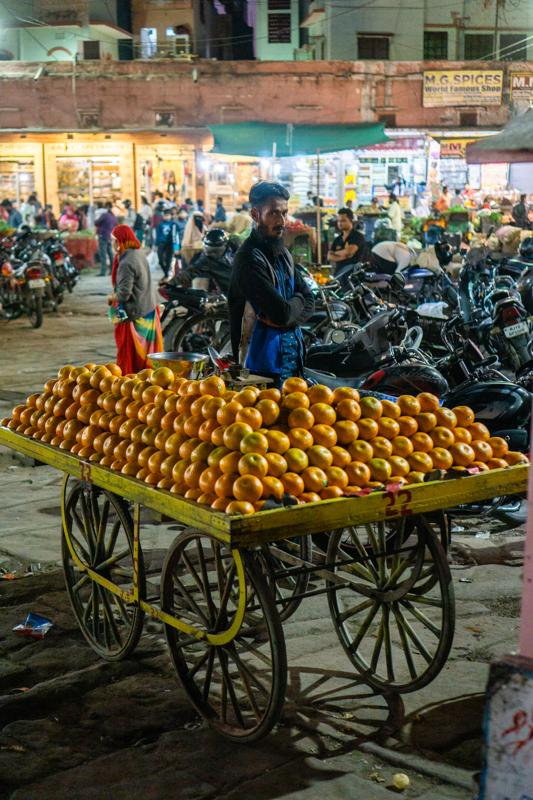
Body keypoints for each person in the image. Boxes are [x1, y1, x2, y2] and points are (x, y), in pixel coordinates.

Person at [228, 181, 314, 385]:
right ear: (256, 215)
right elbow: (281, 313)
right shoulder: (248, 258)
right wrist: (293, 309)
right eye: (274, 213)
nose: (282, 221)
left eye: (284, 213)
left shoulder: (283, 253)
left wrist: (289, 313)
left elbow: (310, 299)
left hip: (291, 361)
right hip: (260, 369)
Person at [107, 224, 163, 375]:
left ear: (120, 242)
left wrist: (112, 298)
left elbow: (124, 294)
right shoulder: (138, 253)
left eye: (114, 240)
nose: (112, 243)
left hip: (135, 313)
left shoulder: (126, 262)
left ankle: (133, 383)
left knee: (132, 357)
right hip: (148, 308)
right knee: (147, 356)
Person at [327, 207, 368, 274]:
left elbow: (349, 251)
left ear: (351, 221)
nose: (340, 223)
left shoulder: (357, 236)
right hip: (339, 273)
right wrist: (345, 255)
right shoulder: (337, 239)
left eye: (343, 221)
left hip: (353, 274)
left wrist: (335, 253)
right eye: (338, 221)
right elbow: (329, 256)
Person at [155, 208, 179, 279]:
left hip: (170, 244)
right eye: (165, 215)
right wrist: (156, 245)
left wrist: (176, 248)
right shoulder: (160, 224)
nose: (166, 217)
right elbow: (158, 235)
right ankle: (166, 273)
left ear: (171, 216)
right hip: (161, 244)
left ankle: (166, 275)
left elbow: (175, 237)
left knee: (168, 260)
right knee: (160, 260)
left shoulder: (174, 224)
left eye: (168, 215)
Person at [95, 202, 117, 276]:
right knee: (110, 253)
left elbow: (96, 222)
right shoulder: (113, 216)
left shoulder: (104, 215)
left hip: (103, 235)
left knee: (103, 254)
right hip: (110, 236)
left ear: (107, 207)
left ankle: (103, 271)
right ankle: (112, 270)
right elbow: (115, 224)